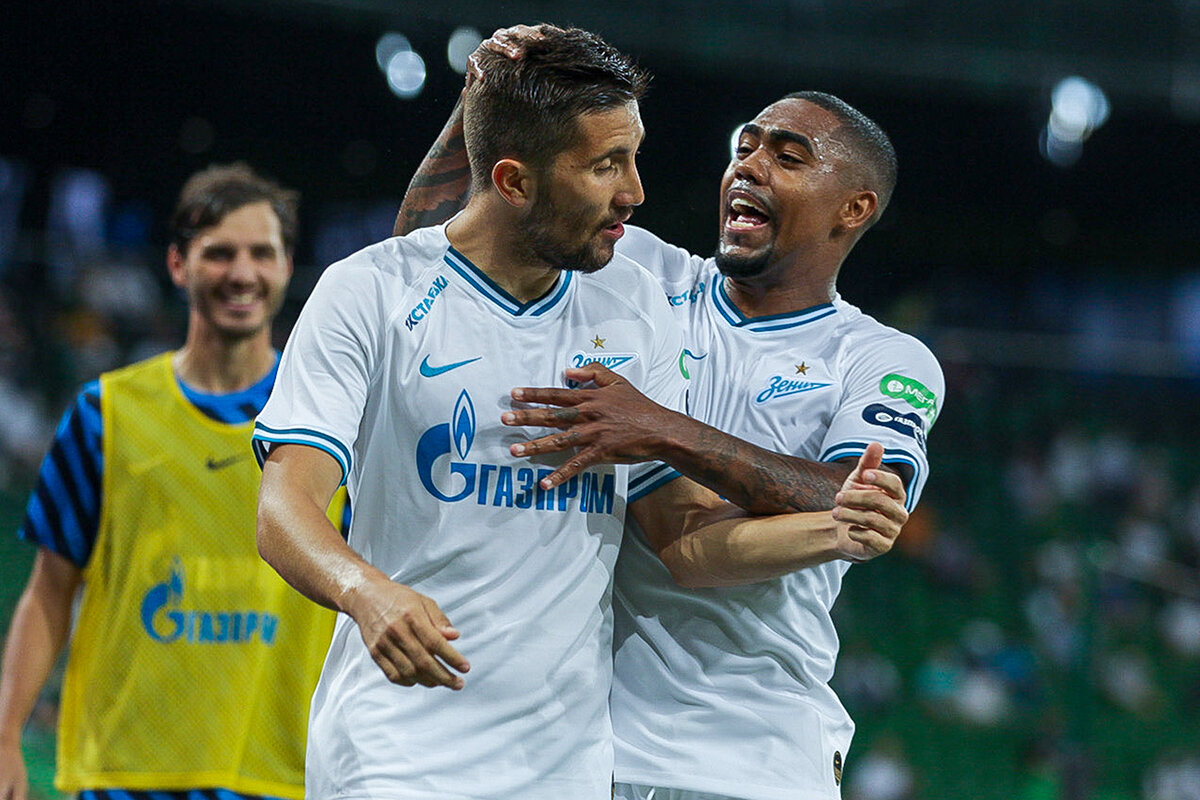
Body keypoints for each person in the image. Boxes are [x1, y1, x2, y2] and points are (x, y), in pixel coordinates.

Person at [255, 25, 910, 800]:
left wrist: (834, 529)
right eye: (607, 165)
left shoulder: (634, 304)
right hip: (396, 751)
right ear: (515, 181)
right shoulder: (368, 290)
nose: (635, 191)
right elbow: (283, 506)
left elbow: (681, 538)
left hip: (568, 766)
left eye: (633, 157)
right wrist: (363, 590)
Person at [0, 164, 346, 800]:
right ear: (178, 265)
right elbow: (48, 591)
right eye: (219, 253)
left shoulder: (333, 417)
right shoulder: (105, 414)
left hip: (284, 776)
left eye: (261, 253)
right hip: (124, 774)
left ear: (286, 267)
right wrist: (4, 736)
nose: (241, 272)